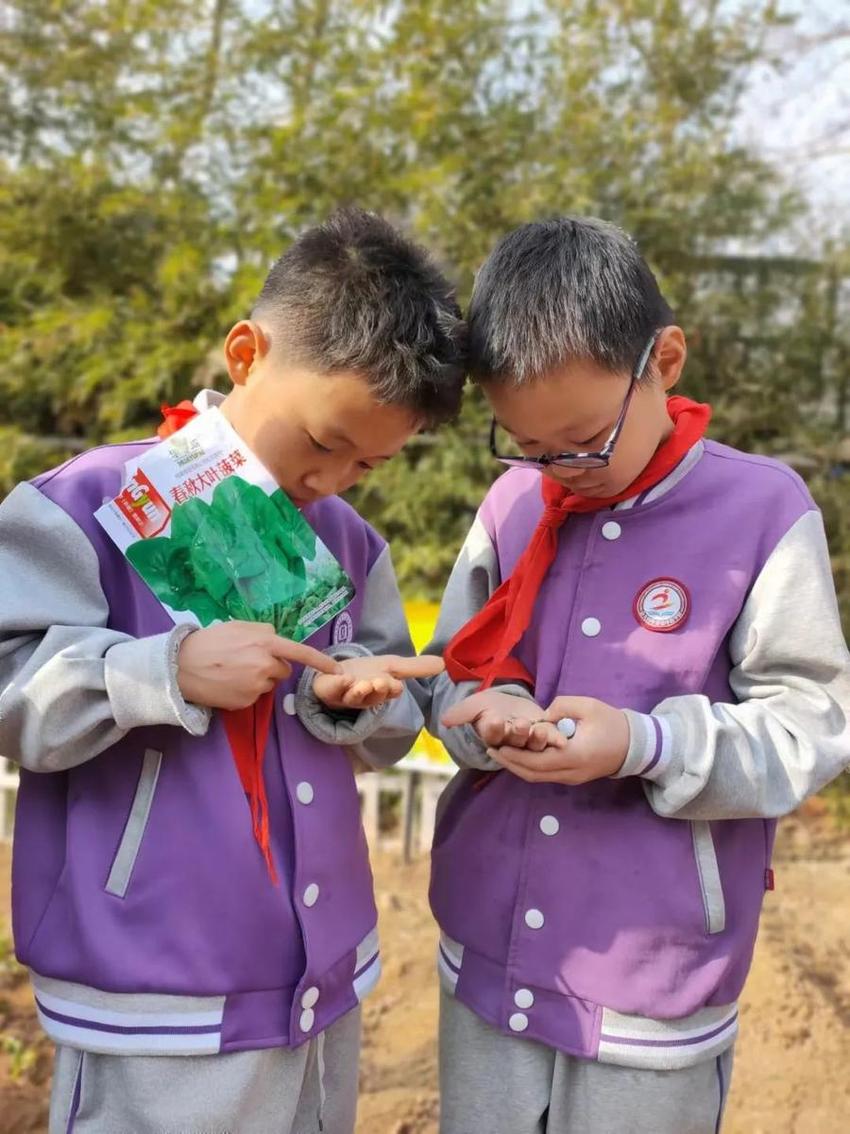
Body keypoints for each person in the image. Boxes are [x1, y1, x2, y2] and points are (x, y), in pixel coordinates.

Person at [0, 206, 464, 1134]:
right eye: (325, 442)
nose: (333, 482)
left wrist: (351, 697)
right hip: (155, 998)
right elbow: (11, 696)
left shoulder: (350, 543)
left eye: (368, 464)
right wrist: (161, 670)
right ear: (246, 353)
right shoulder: (84, 506)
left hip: (318, 981)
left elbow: (388, 725)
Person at [425, 216, 850, 1134]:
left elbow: (812, 723)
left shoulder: (762, 511)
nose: (555, 473)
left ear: (663, 360)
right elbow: (449, 679)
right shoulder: (512, 504)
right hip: (488, 958)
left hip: (650, 977)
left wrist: (645, 744)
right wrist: (482, 716)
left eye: (579, 441)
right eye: (526, 447)